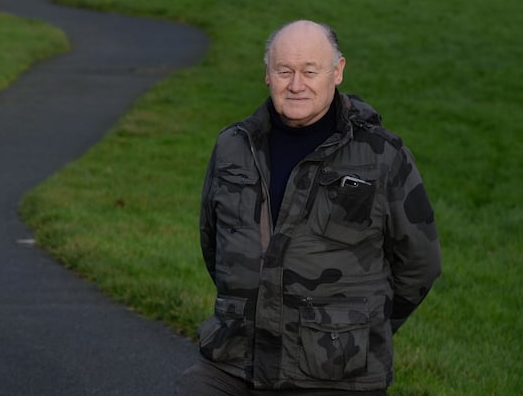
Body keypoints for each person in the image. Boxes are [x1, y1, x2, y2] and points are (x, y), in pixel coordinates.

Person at [176, 20, 441, 395]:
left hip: (334, 374)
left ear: (338, 71)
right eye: (284, 71)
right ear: (267, 75)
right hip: (239, 360)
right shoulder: (233, 147)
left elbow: (420, 264)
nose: (296, 85)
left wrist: (355, 329)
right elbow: (213, 243)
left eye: (309, 71)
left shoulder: (382, 157)